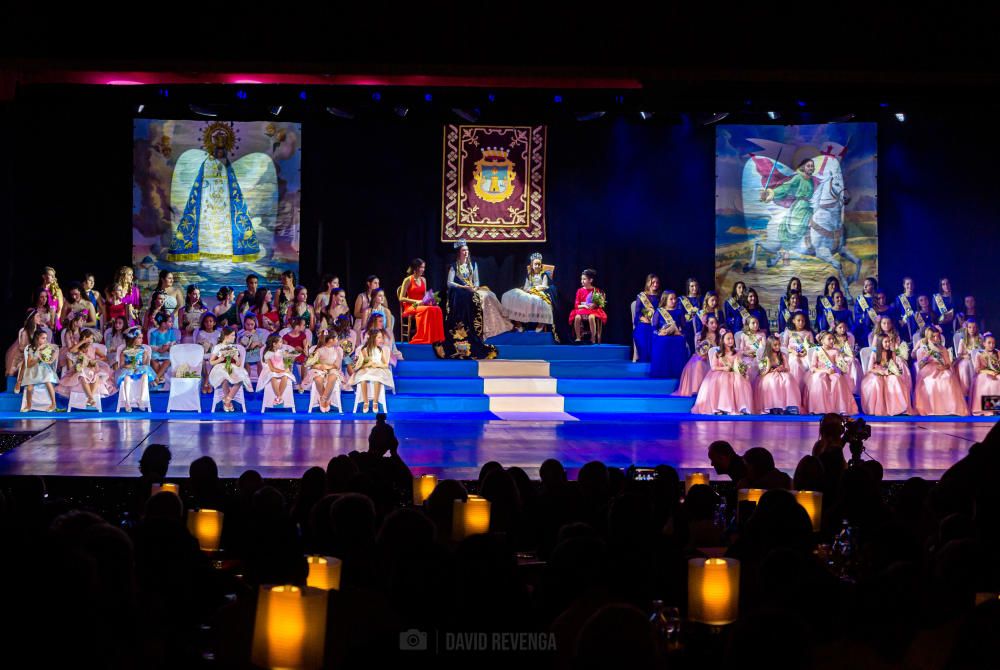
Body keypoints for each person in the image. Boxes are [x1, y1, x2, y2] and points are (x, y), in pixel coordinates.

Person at [166, 133, 261, 262]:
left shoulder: (227, 166)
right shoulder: (206, 164)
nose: (220, 154)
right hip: (207, 202)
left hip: (225, 203)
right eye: (218, 151)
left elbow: (233, 187)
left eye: (222, 151)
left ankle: (230, 250)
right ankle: (203, 249)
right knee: (206, 225)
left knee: (228, 227)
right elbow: (199, 185)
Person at [437, 240, 503, 359]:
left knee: (484, 296)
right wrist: (463, 287)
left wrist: (474, 287)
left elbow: (476, 281)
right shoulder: (454, 266)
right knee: (461, 294)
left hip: (471, 290)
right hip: (458, 290)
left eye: (467, 250)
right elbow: (449, 283)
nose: (466, 252)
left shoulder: (473, 265)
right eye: (463, 250)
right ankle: (459, 326)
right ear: (459, 252)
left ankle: (483, 329)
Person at [692, 330, 754, 415]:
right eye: (728, 339)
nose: (731, 340)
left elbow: (740, 363)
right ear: (723, 340)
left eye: (732, 338)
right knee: (723, 381)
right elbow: (713, 367)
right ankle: (720, 407)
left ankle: (740, 406)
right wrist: (724, 368)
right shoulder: (718, 354)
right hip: (721, 372)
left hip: (734, 373)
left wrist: (742, 370)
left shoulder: (737, 352)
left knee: (740, 381)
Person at [913, 326, 969, 416]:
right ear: (928, 337)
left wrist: (944, 367)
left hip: (942, 368)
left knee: (947, 377)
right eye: (933, 337)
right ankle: (933, 409)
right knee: (932, 382)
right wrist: (926, 357)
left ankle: (950, 408)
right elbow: (920, 365)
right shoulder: (922, 349)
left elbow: (948, 364)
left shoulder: (942, 349)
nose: (936, 339)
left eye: (937, 336)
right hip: (927, 370)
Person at [56, 328, 115, 408]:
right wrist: (83, 342)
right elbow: (71, 351)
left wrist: (95, 360)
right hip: (81, 369)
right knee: (82, 376)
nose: (91, 340)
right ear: (84, 338)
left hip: (92, 369)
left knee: (96, 376)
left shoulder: (94, 349)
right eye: (89, 338)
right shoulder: (78, 348)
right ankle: (91, 398)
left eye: (91, 338)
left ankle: (90, 398)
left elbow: (105, 357)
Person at [805, 331, 858, 415]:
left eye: (833, 339)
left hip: (833, 373)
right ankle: (819, 408)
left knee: (837, 379)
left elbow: (840, 364)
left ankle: (839, 408)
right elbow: (813, 367)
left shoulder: (835, 351)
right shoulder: (817, 351)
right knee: (820, 379)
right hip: (820, 372)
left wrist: (842, 365)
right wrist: (824, 371)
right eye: (829, 339)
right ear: (822, 340)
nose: (832, 341)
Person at [502, 252, 555, 333]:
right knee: (514, 296)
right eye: (535, 264)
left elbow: (545, 286)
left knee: (537, 300)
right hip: (530, 292)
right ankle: (518, 323)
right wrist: (528, 290)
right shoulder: (529, 275)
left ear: (541, 265)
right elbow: (526, 286)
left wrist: (535, 289)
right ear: (532, 265)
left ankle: (541, 323)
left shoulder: (543, 274)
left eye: (538, 264)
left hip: (540, 291)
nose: (537, 266)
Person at [861, 334, 912, 416]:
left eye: (889, 341)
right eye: (886, 342)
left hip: (888, 374)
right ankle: (879, 409)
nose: (888, 344)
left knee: (895, 379)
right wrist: (881, 372)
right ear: (880, 343)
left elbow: (894, 366)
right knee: (877, 381)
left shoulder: (892, 353)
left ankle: (897, 408)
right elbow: (870, 369)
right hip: (877, 374)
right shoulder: (874, 353)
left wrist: (894, 370)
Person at [399, 258, 445, 344]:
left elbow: (424, 296)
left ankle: (436, 338)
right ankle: (422, 337)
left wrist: (431, 300)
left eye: (424, 267)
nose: (423, 269)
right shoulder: (408, 280)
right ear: (415, 268)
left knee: (437, 309)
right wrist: (415, 301)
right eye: (421, 267)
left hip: (422, 305)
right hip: (412, 306)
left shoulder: (423, 279)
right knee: (427, 310)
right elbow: (401, 298)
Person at [207, 326, 253, 412]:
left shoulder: (233, 348)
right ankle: (228, 402)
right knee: (224, 377)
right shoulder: (218, 347)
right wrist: (220, 359)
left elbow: (238, 364)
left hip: (232, 367)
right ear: (226, 336)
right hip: (220, 367)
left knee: (241, 379)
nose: (234, 337)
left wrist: (236, 358)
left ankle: (227, 399)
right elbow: (211, 362)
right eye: (232, 335)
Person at [675, 314, 720, 396]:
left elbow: (720, 349)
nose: (714, 325)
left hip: (715, 358)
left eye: (716, 323)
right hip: (702, 356)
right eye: (712, 323)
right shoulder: (699, 335)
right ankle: (696, 390)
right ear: (706, 324)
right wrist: (703, 352)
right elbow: (697, 349)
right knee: (698, 363)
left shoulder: (719, 335)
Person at [15, 329, 59, 411]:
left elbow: (50, 361)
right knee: (29, 388)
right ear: (37, 338)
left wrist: (48, 358)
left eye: (46, 338)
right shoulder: (32, 349)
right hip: (33, 370)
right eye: (43, 338)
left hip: (44, 369)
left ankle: (53, 403)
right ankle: (28, 405)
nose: (45, 340)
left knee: (48, 381)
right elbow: (28, 364)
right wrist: (38, 358)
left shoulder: (47, 348)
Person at [351, 329, 395, 413]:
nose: (381, 340)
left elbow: (385, 364)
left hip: (378, 369)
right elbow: (363, 363)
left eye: (382, 338)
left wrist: (378, 365)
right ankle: (365, 401)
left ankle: (375, 402)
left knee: (377, 379)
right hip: (366, 369)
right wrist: (369, 364)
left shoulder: (380, 350)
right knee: (363, 379)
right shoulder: (364, 350)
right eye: (379, 338)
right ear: (373, 338)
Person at [756, 335, 801, 414]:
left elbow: (787, 368)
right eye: (775, 345)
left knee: (788, 380)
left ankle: (789, 405)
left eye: (779, 345)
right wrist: (769, 366)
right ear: (770, 346)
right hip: (769, 374)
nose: (777, 347)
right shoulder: (766, 357)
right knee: (773, 382)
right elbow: (762, 371)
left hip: (782, 373)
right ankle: (774, 406)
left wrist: (781, 368)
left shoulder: (782, 355)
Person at [115, 327, 156, 411]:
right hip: (128, 370)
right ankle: (127, 402)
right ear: (133, 339)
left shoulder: (142, 350)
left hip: (139, 370)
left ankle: (141, 400)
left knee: (145, 375)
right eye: (139, 338)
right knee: (126, 377)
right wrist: (130, 365)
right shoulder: (125, 351)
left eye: (142, 338)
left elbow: (145, 364)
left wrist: (147, 357)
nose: (141, 340)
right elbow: (122, 365)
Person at [303, 332, 345, 413]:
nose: (337, 340)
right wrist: (319, 366)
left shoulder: (337, 351)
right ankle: (326, 400)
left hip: (332, 369)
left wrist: (328, 367)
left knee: (333, 376)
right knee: (318, 379)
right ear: (330, 340)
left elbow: (337, 365)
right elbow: (312, 363)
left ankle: (323, 399)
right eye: (336, 339)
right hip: (320, 370)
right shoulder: (320, 350)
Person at [568, 268, 607, 344]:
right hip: (582, 309)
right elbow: (576, 305)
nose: (582, 281)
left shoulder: (596, 290)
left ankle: (593, 338)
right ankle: (578, 337)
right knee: (577, 317)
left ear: (590, 280)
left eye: (584, 279)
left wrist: (594, 304)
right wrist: (584, 306)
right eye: (581, 279)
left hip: (593, 310)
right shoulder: (580, 290)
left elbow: (599, 303)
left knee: (591, 317)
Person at [6, 310, 49, 377]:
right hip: (22, 356)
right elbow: (21, 348)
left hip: (32, 355)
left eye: (39, 316)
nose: (39, 318)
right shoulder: (25, 332)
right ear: (32, 319)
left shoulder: (38, 331)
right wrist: (33, 349)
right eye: (37, 316)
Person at [257, 334, 296, 407]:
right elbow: (272, 368)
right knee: (273, 376)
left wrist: (289, 361)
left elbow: (286, 364)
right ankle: (279, 396)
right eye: (280, 342)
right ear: (274, 344)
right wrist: (282, 371)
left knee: (285, 376)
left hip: (281, 369)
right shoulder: (268, 354)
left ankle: (278, 398)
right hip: (271, 370)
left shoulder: (281, 352)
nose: (282, 343)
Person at [781, 312, 815, 389]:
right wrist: (792, 351)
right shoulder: (789, 332)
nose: (801, 323)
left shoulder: (808, 332)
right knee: (795, 363)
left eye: (803, 321)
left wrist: (806, 352)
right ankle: (794, 388)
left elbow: (812, 347)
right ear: (793, 321)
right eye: (798, 320)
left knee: (807, 365)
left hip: (805, 355)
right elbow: (784, 346)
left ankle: (804, 388)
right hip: (792, 354)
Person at [632, 274, 661, 363]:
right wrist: (643, 319)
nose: (655, 284)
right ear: (648, 283)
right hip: (644, 323)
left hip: (657, 324)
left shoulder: (661, 297)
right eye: (653, 282)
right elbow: (637, 314)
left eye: (657, 282)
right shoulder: (641, 296)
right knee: (642, 333)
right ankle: (644, 361)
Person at [970, 334, 1000, 416]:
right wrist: (988, 372)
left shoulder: (997, 353)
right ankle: (990, 407)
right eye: (989, 343)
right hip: (983, 374)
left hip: (996, 373)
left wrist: (996, 372)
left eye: (993, 343)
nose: (991, 345)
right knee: (990, 382)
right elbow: (977, 369)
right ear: (984, 344)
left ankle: (997, 408)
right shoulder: (980, 354)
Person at [955, 319, 985, 393]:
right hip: (967, 358)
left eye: (974, 327)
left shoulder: (980, 338)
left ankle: (979, 388)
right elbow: (959, 354)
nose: (972, 329)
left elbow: (983, 350)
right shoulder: (963, 340)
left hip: (978, 358)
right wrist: (965, 356)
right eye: (970, 327)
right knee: (966, 365)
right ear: (967, 328)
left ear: (977, 328)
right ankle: (968, 389)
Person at [148, 312, 177, 388]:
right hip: (157, 352)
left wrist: (169, 346)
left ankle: (156, 378)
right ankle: (161, 377)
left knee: (168, 361)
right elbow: (152, 346)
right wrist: (160, 349)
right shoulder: (154, 333)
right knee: (154, 361)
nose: (172, 323)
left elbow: (174, 342)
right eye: (170, 322)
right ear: (163, 323)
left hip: (167, 352)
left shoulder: (170, 332)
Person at [735, 315, 767, 384]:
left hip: (759, 358)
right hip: (747, 358)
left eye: (757, 323)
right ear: (748, 324)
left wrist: (754, 351)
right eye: (753, 323)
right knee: (748, 367)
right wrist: (746, 353)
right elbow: (741, 350)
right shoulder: (744, 335)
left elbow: (764, 348)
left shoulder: (762, 334)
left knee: (761, 366)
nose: (756, 325)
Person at [282, 317, 311, 388]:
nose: (305, 327)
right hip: (290, 355)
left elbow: (305, 351)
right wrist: (294, 349)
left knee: (304, 361)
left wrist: (302, 350)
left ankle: (303, 381)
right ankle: (296, 382)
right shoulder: (286, 337)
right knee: (291, 361)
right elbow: (285, 350)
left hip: (301, 354)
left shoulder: (303, 335)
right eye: (303, 325)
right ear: (297, 326)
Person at [853, 277, 880, 347]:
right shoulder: (860, 299)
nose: (865, 287)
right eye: (864, 285)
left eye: (868, 285)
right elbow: (857, 314)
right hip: (864, 327)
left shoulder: (878, 298)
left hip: (877, 326)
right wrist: (866, 316)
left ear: (873, 286)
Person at [679, 277, 703, 353]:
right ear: (688, 287)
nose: (694, 288)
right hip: (687, 328)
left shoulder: (702, 299)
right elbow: (680, 315)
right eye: (692, 286)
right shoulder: (682, 300)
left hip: (699, 328)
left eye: (696, 285)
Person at [39, 266, 65, 332]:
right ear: (44, 276)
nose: (52, 277)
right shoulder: (38, 290)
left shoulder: (57, 290)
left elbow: (60, 309)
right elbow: (35, 306)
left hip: (55, 320)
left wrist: (55, 322)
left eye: (53, 276)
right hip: (41, 319)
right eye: (50, 275)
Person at [894, 277, 919, 342]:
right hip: (904, 324)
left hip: (916, 324)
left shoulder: (917, 297)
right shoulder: (899, 298)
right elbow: (896, 312)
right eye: (907, 284)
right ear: (904, 285)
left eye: (911, 284)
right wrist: (900, 321)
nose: (910, 286)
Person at [933, 277, 958, 342]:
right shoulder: (937, 298)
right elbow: (934, 314)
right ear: (941, 286)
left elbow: (958, 311)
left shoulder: (955, 297)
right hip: (941, 327)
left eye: (947, 283)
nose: (946, 286)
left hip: (953, 326)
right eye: (943, 284)